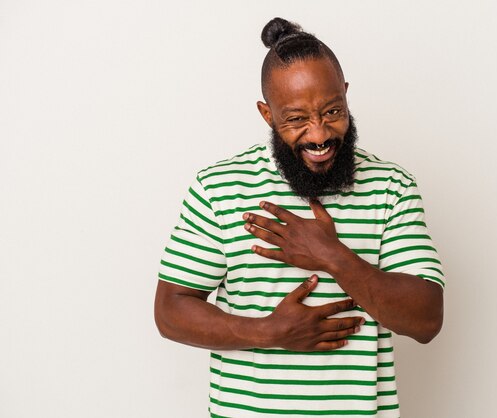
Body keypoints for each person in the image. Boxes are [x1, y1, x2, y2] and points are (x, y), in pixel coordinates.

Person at [154, 17, 445, 418]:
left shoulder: (392, 187)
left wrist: (331, 255)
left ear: (345, 95)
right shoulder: (219, 188)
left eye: (332, 111)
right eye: (296, 119)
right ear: (267, 114)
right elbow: (171, 311)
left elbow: (426, 320)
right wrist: (268, 332)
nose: (319, 134)